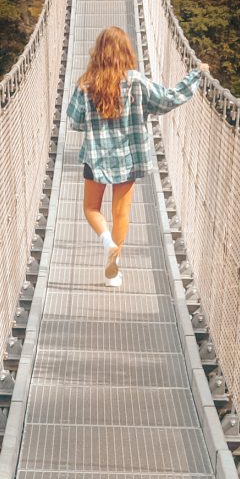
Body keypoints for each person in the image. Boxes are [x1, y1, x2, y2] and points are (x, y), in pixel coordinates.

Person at [63, 26, 201, 286]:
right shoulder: (136, 81)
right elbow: (168, 100)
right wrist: (194, 77)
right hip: (129, 156)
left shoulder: (86, 83)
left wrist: (94, 121)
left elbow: (74, 121)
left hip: (96, 156)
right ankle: (115, 266)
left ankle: (106, 241)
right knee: (121, 212)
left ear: (98, 52)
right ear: (126, 51)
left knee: (91, 207)